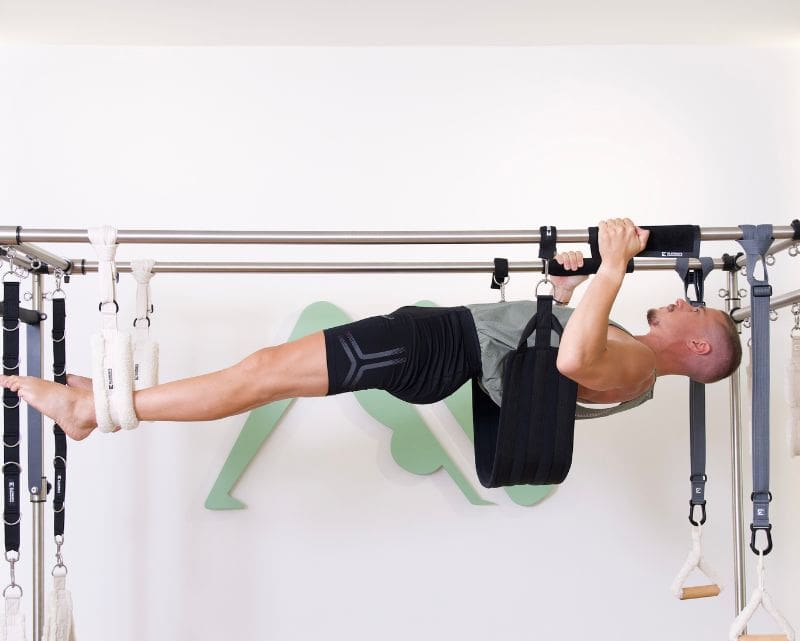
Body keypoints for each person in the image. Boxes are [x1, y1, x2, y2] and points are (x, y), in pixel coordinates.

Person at [0, 218, 742, 441]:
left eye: (691, 309)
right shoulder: (632, 354)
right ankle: (102, 405)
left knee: (262, 374)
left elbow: (573, 361)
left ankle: (96, 410)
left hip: (433, 349)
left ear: (701, 347)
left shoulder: (635, 371)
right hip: (438, 343)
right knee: (264, 371)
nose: (674, 303)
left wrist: (614, 266)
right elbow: (551, 342)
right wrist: (573, 286)